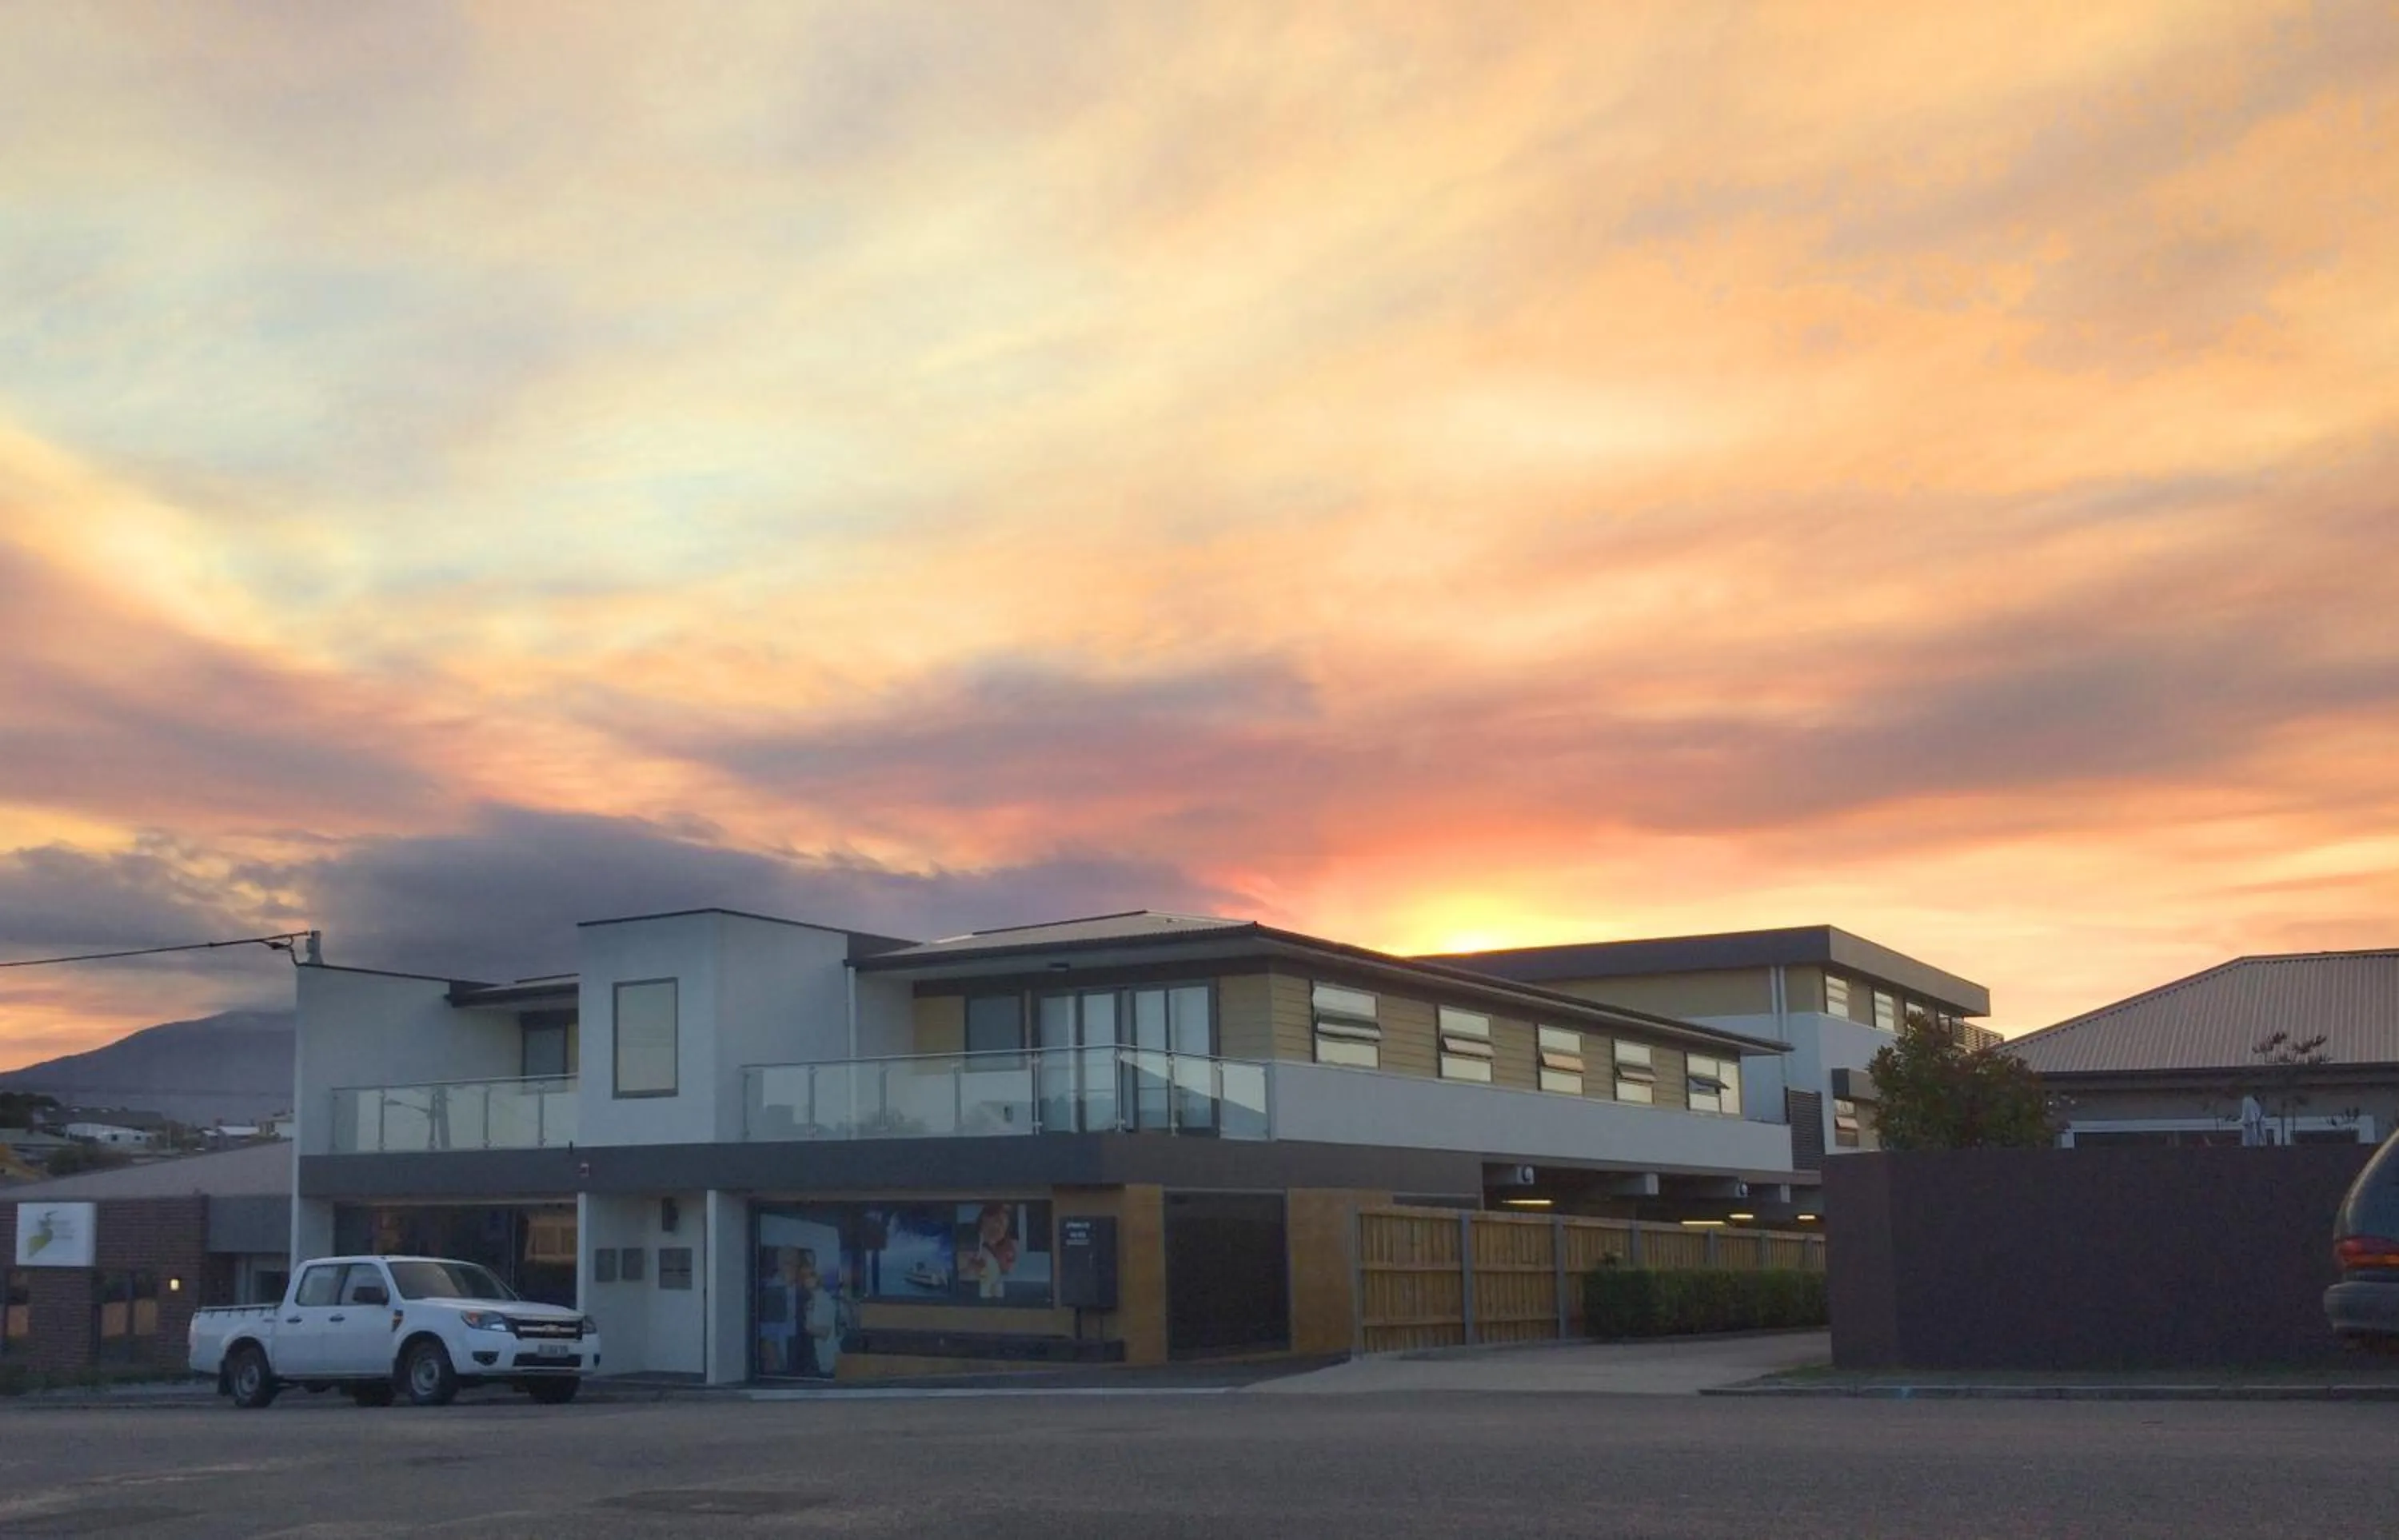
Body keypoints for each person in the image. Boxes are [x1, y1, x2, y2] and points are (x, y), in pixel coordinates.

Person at [961, 1203, 1019, 1301]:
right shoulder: (966, 1240)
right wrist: (969, 1269)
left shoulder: (1004, 1250)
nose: (1000, 1229)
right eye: (998, 1221)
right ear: (985, 1218)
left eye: (1004, 1226)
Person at [797, 1257, 841, 1378]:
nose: (806, 1280)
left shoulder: (824, 1301)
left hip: (828, 1362)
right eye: (803, 1277)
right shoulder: (811, 1299)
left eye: (810, 1276)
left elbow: (823, 1332)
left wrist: (809, 1318)